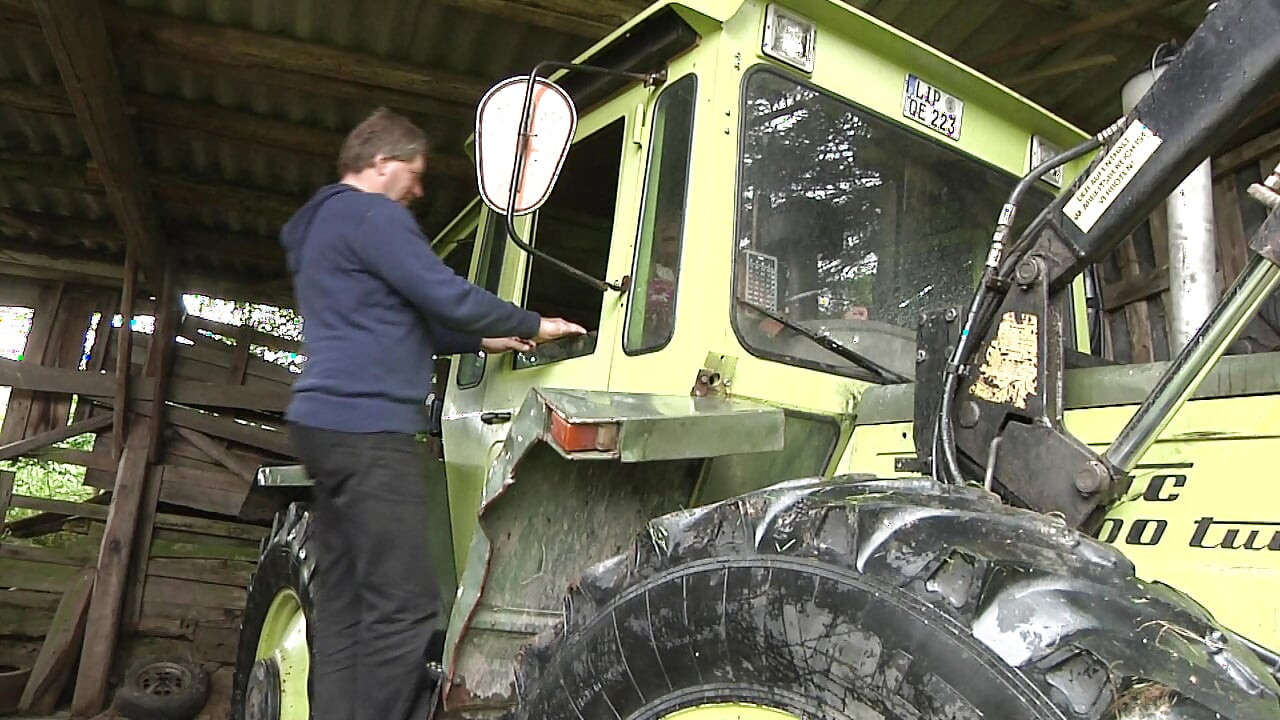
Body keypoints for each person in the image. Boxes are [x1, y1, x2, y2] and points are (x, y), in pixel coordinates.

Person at [278, 107, 585, 720]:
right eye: (414, 174)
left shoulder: (320, 228)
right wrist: (534, 323)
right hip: (370, 428)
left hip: (324, 425)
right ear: (381, 162)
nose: (418, 191)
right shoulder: (374, 215)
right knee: (405, 609)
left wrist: (479, 339)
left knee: (343, 606)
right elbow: (443, 292)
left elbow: (387, 317)